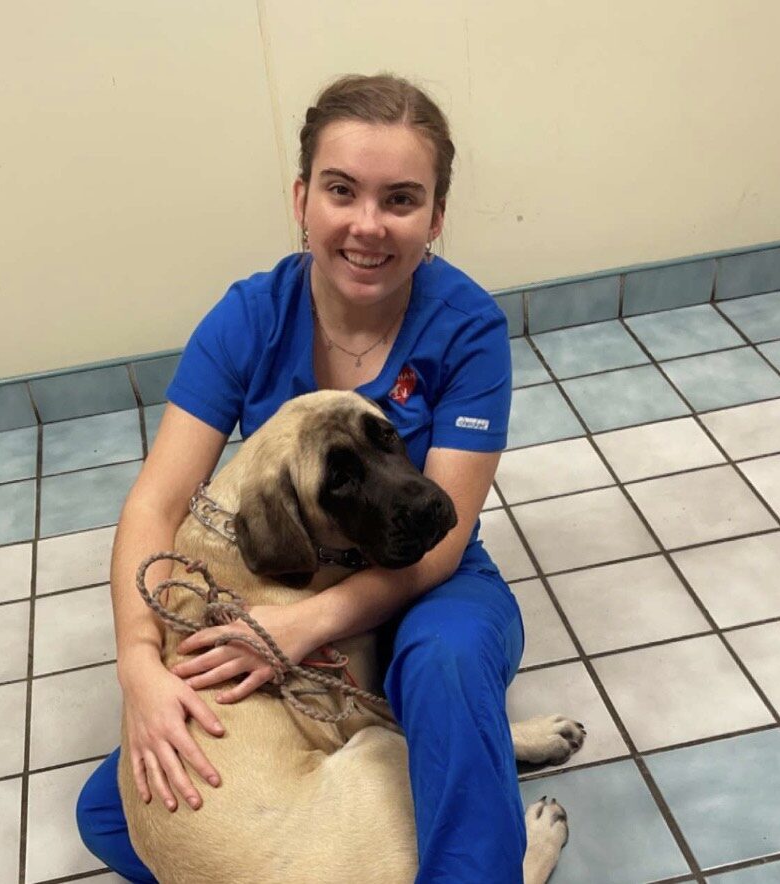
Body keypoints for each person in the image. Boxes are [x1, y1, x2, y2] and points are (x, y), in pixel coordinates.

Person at [76, 73, 526, 883]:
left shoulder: (468, 328)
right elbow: (157, 501)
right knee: (111, 812)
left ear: (436, 217)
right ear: (302, 198)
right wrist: (139, 663)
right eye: (342, 191)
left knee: (444, 662)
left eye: (401, 200)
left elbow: (447, 533)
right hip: (294, 579)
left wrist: (302, 627)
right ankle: (458, 761)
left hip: (426, 575)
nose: (367, 225)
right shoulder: (250, 315)